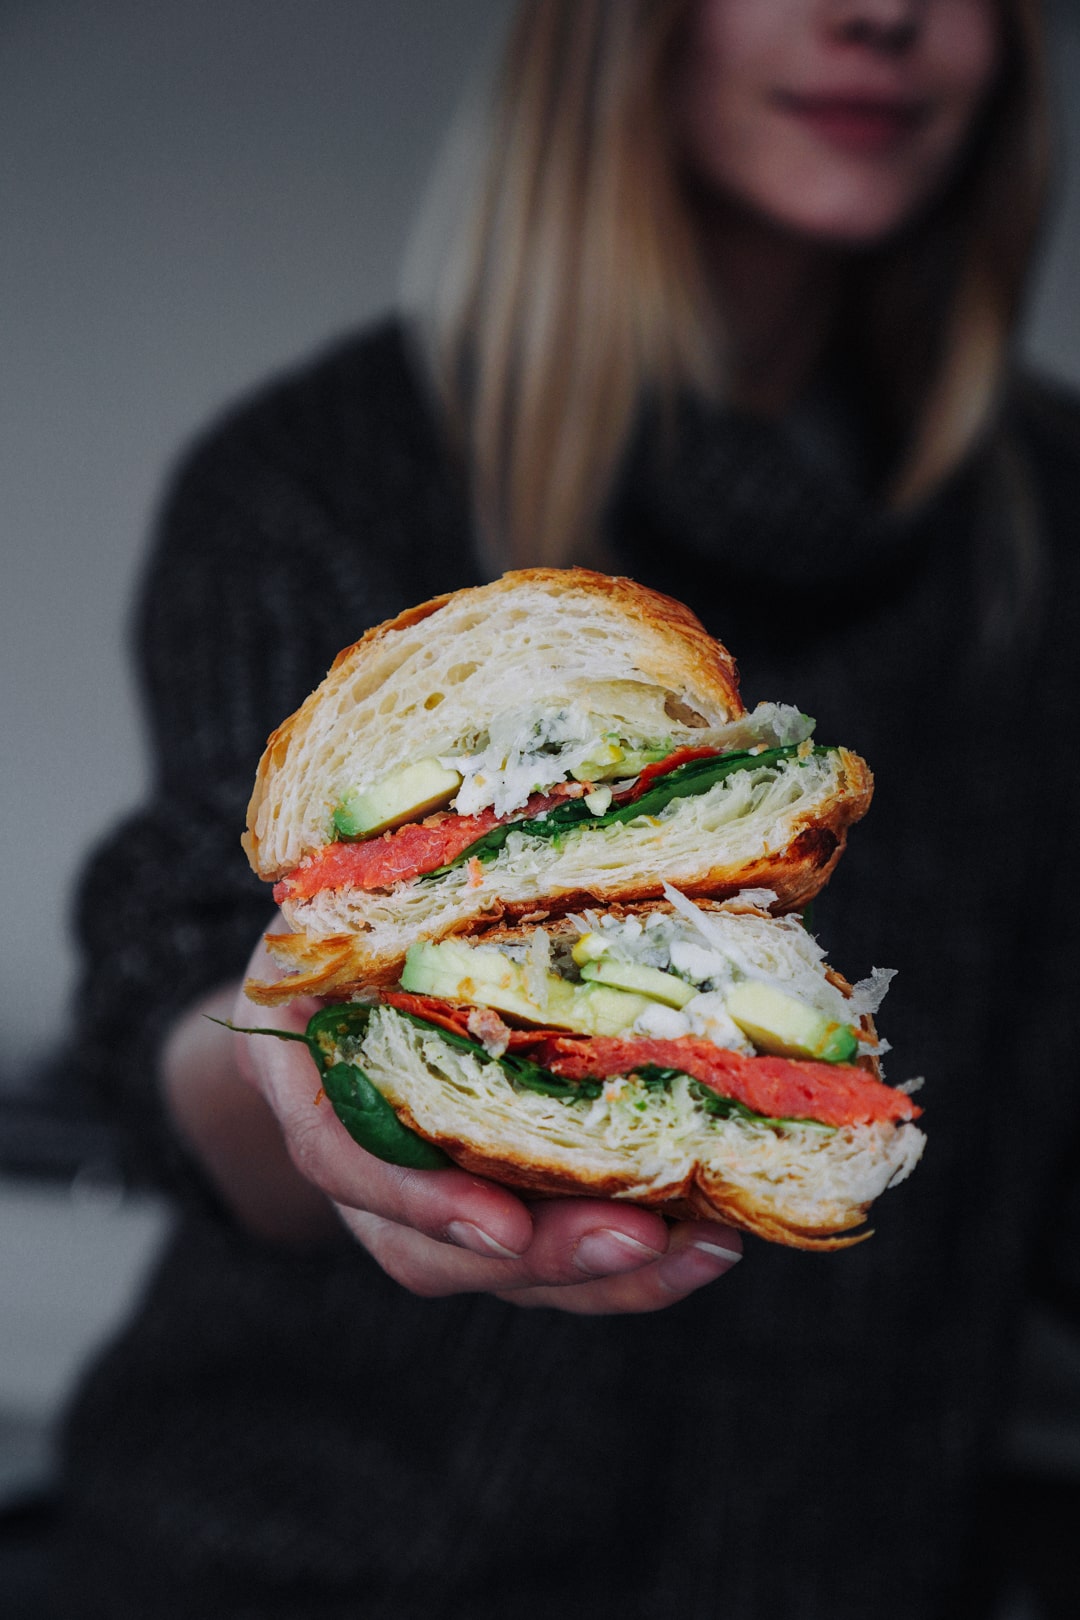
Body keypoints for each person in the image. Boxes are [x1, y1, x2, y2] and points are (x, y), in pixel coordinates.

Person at [52, 0, 1080, 1615]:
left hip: (851, 1569)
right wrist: (307, 1075)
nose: (880, 14)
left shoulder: (1053, 527)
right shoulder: (324, 470)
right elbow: (186, 973)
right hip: (303, 1566)